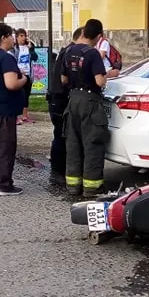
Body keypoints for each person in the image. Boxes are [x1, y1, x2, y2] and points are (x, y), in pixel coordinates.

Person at [0, 24, 29, 196]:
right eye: (11, 36)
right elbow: (11, 84)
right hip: (3, 109)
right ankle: (4, 185)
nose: (13, 39)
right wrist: (24, 78)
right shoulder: (6, 57)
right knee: (5, 148)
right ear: (4, 37)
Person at [62, 19, 108, 197]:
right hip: (90, 101)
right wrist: (106, 78)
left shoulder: (69, 51)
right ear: (98, 36)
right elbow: (100, 81)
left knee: (73, 143)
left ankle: (73, 186)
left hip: (72, 100)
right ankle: (91, 187)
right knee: (92, 144)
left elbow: (64, 80)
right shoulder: (93, 54)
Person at [46, 28, 82, 185]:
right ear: (80, 37)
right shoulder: (70, 53)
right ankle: (57, 171)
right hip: (60, 98)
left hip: (56, 97)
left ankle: (60, 170)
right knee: (61, 135)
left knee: (62, 135)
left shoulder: (65, 51)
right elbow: (65, 79)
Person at [13, 29, 37, 124]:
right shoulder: (15, 48)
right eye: (21, 36)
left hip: (28, 74)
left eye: (24, 36)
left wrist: (31, 49)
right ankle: (15, 116)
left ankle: (25, 116)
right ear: (17, 37)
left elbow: (35, 58)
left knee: (26, 95)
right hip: (19, 74)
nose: (23, 38)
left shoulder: (29, 47)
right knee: (17, 95)